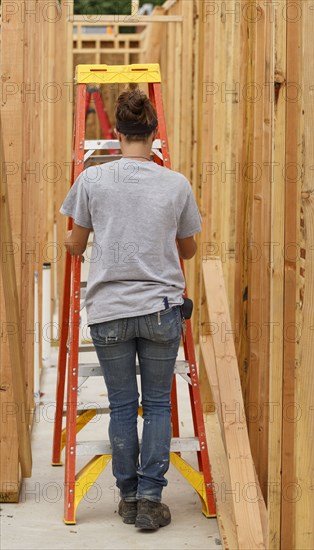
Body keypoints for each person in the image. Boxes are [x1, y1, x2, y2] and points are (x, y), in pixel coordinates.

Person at [60, 88, 202, 530]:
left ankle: (126, 498)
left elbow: (75, 245)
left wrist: (79, 240)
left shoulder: (91, 180)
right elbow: (190, 249)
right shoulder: (176, 183)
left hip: (109, 310)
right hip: (161, 309)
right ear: (154, 133)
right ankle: (149, 499)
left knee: (123, 406)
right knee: (158, 405)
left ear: (116, 133)